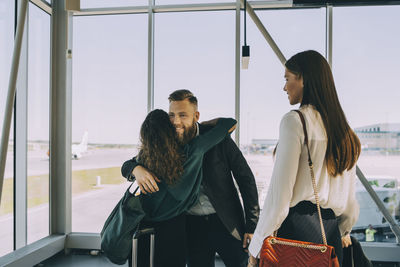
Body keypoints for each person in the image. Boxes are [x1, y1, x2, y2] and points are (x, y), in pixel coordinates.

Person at [247, 50, 361, 267]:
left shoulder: (295, 122)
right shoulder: (345, 132)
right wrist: (342, 230)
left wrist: (257, 246)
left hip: (296, 236)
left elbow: (279, 198)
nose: (284, 87)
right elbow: (350, 205)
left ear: (303, 79)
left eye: (287, 78)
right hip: (331, 237)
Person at [121, 90, 260, 267]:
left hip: (227, 222)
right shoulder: (166, 142)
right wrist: (135, 169)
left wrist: (252, 226)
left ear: (196, 116)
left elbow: (245, 178)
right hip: (192, 227)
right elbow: (127, 165)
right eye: (171, 115)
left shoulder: (217, 138)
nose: (175, 122)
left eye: (182, 115)